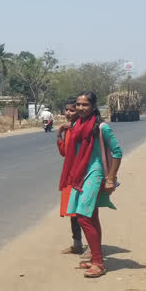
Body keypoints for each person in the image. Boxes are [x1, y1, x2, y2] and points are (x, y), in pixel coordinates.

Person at [59, 91, 122, 278]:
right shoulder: (77, 125)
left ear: (94, 107)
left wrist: (111, 178)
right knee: (91, 217)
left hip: (95, 174)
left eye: (85, 105)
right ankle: (96, 259)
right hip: (80, 173)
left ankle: (99, 263)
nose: (80, 108)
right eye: (78, 104)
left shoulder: (102, 127)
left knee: (83, 217)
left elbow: (117, 152)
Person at [56, 98, 85, 255]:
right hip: (70, 175)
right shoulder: (69, 129)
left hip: (81, 175)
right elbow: (65, 153)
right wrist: (60, 135)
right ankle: (77, 244)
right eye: (66, 110)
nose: (68, 113)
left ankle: (93, 247)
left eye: (71, 110)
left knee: (84, 213)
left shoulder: (82, 129)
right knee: (73, 212)